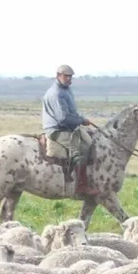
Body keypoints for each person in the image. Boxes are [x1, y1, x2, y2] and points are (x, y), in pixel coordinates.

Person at [42, 64, 99, 196]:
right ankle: (81, 187)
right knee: (80, 150)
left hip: (68, 126)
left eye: (70, 76)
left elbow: (71, 112)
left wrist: (81, 119)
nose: (69, 78)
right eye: (66, 76)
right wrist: (81, 121)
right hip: (57, 130)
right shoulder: (56, 93)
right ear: (58, 76)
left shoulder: (66, 90)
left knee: (90, 142)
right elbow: (63, 118)